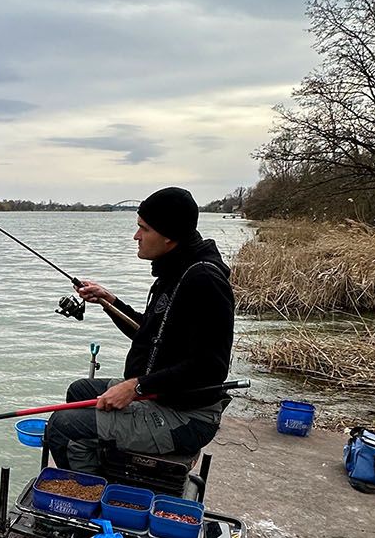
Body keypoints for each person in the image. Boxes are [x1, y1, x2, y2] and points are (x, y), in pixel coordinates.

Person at [46, 187, 234, 474]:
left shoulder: (203, 280)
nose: (136, 237)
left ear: (169, 235)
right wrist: (109, 302)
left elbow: (210, 367)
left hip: (186, 417)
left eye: (143, 229)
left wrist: (135, 387)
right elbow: (149, 334)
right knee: (80, 390)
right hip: (162, 397)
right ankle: (108, 468)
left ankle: (91, 504)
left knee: (63, 427)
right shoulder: (177, 269)